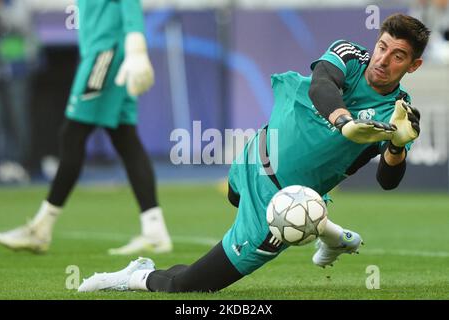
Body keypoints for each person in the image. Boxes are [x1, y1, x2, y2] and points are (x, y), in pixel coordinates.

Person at [77, 13, 429, 293]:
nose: (383, 59)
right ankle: (331, 233)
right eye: (382, 46)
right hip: (256, 151)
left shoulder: (397, 112)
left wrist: (397, 144)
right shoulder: (350, 55)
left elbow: (388, 179)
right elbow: (322, 84)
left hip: (277, 205)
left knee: (189, 287)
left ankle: (137, 276)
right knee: (233, 196)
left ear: (413, 66)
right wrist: (344, 121)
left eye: (398, 56)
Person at [0, 0, 172, 255]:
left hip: (106, 54)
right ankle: (154, 230)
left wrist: (137, 46)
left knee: (73, 135)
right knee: (126, 139)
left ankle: (41, 228)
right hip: (109, 52)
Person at [0, 0, 38, 184]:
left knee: (18, 117)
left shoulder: (17, 5)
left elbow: (18, 26)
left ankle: (21, 163)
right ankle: (4, 163)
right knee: (1, 120)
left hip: (17, 68)